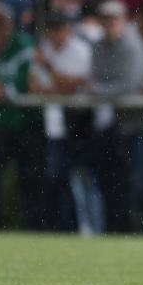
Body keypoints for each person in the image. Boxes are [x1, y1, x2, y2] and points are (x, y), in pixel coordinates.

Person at [90, 0, 143, 233]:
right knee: (123, 184)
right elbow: (103, 80)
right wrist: (111, 89)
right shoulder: (99, 46)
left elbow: (127, 84)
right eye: (105, 20)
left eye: (113, 19)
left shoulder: (133, 46)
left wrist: (102, 90)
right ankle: (136, 231)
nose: (109, 24)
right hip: (124, 123)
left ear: (123, 21)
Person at [0, 2, 43, 228]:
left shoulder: (24, 45)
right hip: (0, 122)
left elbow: (26, 81)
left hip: (26, 122)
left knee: (30, 181)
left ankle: (33, 230)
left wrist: (2, 91)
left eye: (2, 25)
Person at [29, 12, 98, 233]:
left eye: (60, 28)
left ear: (69, 29)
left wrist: (50, 70)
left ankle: (88, 227)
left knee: (82, 178)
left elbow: (73, 87)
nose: (55, 34)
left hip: (79, 124)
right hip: (53, 125)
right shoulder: (44, 49)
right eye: (52, 29)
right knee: (54, 179)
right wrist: (58, 86)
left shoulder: (80, 50)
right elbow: (34, 88)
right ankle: (64, 227)